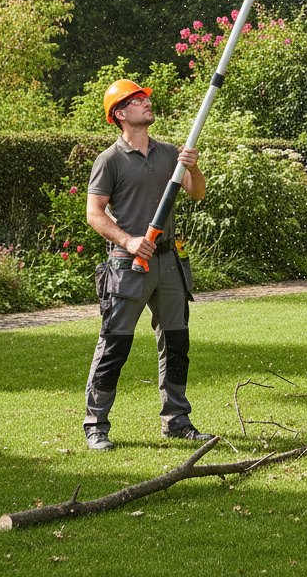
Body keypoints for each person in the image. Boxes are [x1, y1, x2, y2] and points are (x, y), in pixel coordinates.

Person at [82, 79, 211, 451]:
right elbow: (94, 213)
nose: (146, 104)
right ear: (120, 114)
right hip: (127, 265)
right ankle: (96, 424)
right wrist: (128, 240)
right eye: (137, 101)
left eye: (145, 99)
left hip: (169, 262)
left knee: (176, 342)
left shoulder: (170, 152)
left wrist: (194, 168)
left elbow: (196, 192)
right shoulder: (109, 160)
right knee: (114, 344)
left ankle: (176, 421)